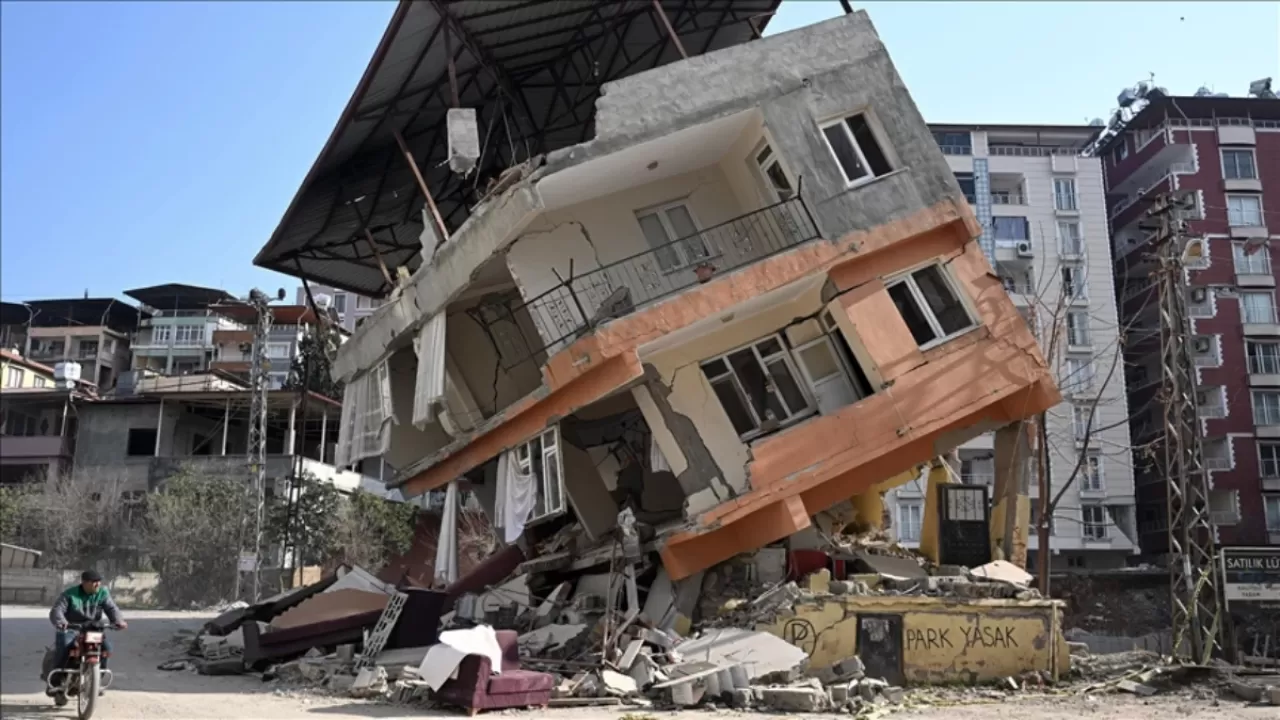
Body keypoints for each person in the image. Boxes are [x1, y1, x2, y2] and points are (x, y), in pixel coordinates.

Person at [48, 570, 127, 695]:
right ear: (84, 583)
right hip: (72, 628)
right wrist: (61, 621)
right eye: (94, 582)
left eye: (99, 582)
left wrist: (118, 621)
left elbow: (112, 608)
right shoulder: (70, 594)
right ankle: (56, 680)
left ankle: (96, 681)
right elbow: (57, 610)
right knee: (65, 645)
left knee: (107, 648)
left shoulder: (102, 593)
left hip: (93, 629)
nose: (98, 584)